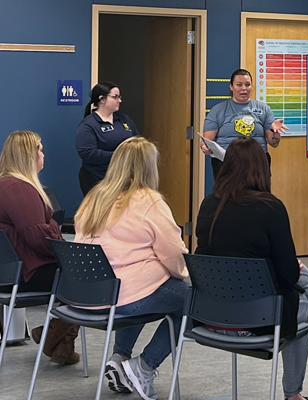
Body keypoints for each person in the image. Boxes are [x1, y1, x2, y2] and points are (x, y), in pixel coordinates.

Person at [195, 136, 308, 400]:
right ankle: (295, 393)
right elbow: (288, 276)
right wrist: (292, 267)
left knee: (299, 278)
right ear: (262, 169)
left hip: (210, 315)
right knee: (300, 301)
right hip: (255, 320)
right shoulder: (270, 207)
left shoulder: (208, 204)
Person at [74, 137, 188, 400]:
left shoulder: (94, 196)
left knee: (135, 285)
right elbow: (173, 253)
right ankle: (144, 366)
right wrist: (185, 276)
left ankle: (119, 357)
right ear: (149, 167)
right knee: (193, 300)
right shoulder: (150, 201)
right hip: (124, 296)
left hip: (88, 295)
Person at [0, 130, 80, 365]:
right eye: (40, 149)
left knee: (75, 277)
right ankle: (49, 337)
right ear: (28, 155)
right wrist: (55, 227)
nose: (43, 154)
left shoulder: (6, 185)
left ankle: (62, 349)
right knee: (87, 279)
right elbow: (37, 236)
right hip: (27, 273)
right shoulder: (19, 188)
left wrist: (50, 226)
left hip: (12, 272)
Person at [201, 68, 288, 178]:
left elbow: (274, 144)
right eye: (239, 85)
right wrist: (205, 146)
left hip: (257, 161)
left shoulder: (264, 109)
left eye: (247, 85)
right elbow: (206, 141)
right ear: (231, 86)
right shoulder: (217, 110)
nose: (244, 89)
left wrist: (274, 132)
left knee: (256, 194)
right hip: (227, 161)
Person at [75, 81, 139, 196]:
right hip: (98, 179)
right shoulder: (88, 124)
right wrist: (120, 155)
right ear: (102, 99)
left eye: (119, 97)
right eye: (115, 97)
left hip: (123, 177)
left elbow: (137, 141)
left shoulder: (124, 119)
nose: (119, 100)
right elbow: (88, 153)